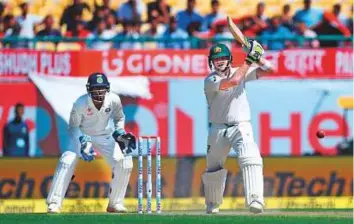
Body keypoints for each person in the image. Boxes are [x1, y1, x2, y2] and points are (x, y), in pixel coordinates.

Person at [46, 73, 136, 213]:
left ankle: (115, 203)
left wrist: (119, 132)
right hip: (82, 135)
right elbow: (73, 127)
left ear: (107, 89)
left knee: (125, 161)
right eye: (95, 89)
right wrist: (83, 140)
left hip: (104, 135)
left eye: (102, 89)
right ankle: (54, 203)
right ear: (89, 89)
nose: (99, 93)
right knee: (67, 160)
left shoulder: (114, 100)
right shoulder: (80, 103)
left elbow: (119, 118)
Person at [202, 41, 274, 214]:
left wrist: (258, 56)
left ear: (229, 59)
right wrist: (250, 58)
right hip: (217, 128)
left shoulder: (240, 70)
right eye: (216, 58)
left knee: (251, 157)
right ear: (211, 61)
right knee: (213, 167)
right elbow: (233, 81)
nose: (219, 61)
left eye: (223, 57)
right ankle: (212, 204)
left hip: (241, 125)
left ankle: (256, 200)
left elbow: (270, 70)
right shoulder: (210, 80)